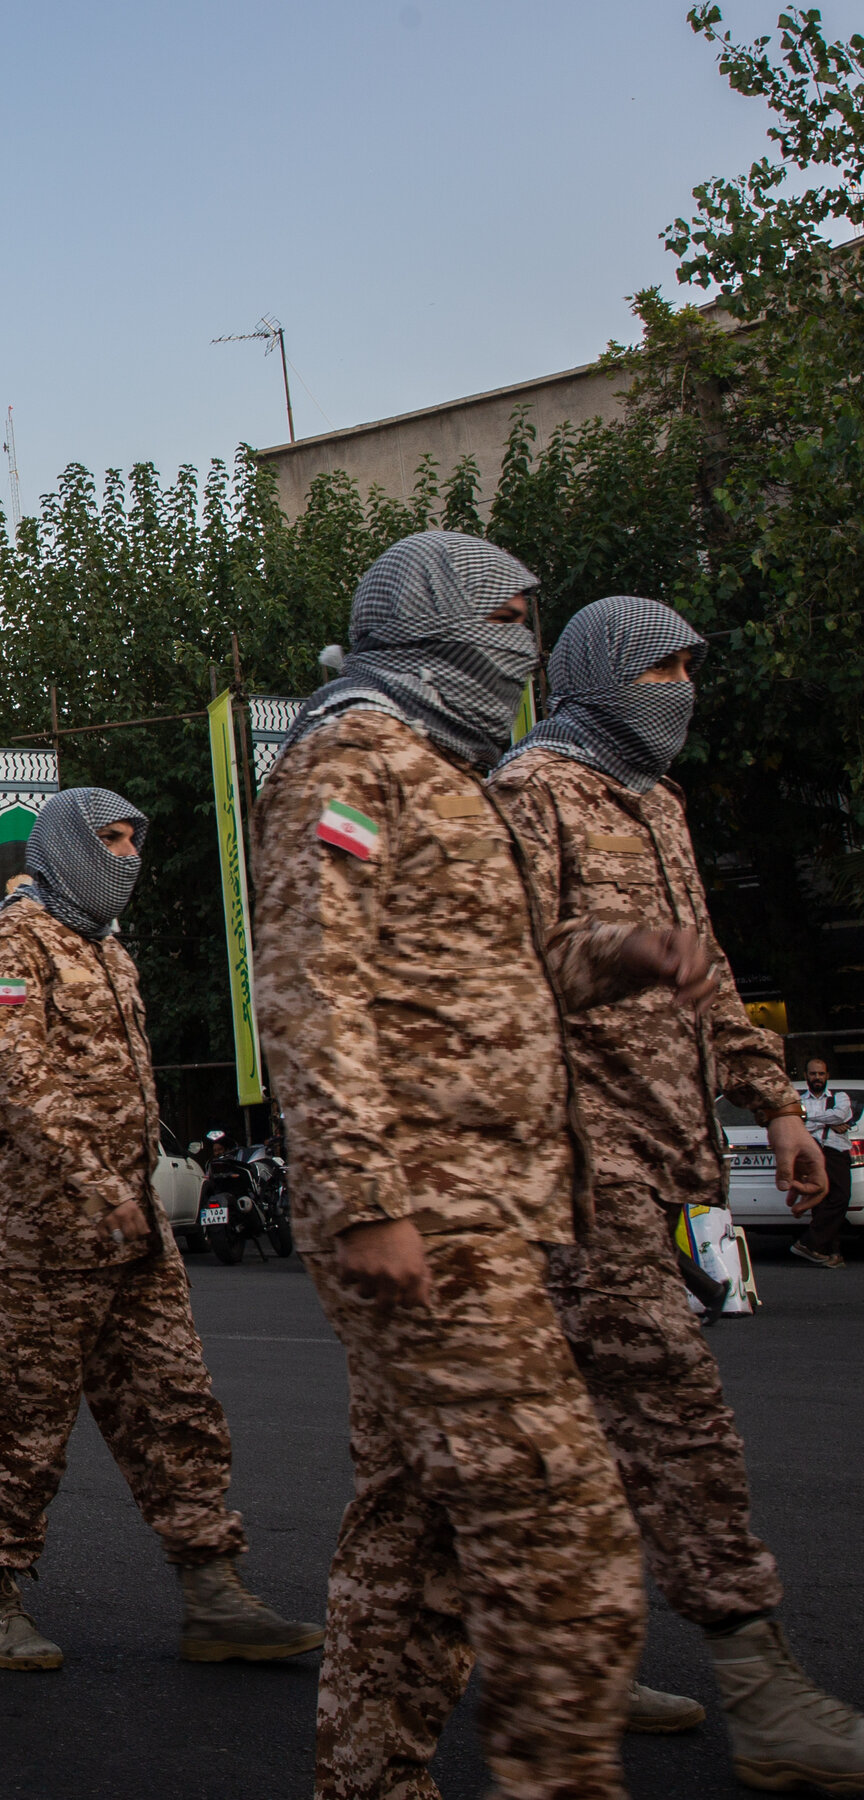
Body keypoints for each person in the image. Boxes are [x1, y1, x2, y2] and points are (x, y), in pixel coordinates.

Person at [250, 533, 674, 1800]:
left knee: (416, 1538)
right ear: (431, 618)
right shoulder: (349, 763)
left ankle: (372, 1780)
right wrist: (367, 1200)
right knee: (568, 1543)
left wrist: (624, 956)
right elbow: (312, 991)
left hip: (491, 1211)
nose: (530, 643)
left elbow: (502, 975)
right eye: (507, 611)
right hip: (430, 1220)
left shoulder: (446, 773)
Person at [492, 595, 864, 1787]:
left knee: (567, 1447)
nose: (683, 689)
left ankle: (561, 1666)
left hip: (669, 1167)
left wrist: (778, 1106)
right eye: (661, 666)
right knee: (676, 1423)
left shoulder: (655, 804)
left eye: (693, 667)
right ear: (599, 673)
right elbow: (501, 969)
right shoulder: (529, 795)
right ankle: (761, 1695)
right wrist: (619, 959)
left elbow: (707, 972)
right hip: (576, 1176)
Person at [0, 788, 323, 1671]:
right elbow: (18, 1081)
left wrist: (133, 1193)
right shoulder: (8, 943)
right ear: (65, 849)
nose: (126, 855)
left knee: (176, 1404)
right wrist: (93, 1183)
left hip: (133, 1225)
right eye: (108, 840)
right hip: (48, 1235)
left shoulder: (106, 949)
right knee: (26, 1421)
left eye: (130, 840)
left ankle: (213, 1590)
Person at [794, 1057, 854, 1269]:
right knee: (820, 1202)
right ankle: (829, 1253)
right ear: (806, 1076)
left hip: (836, 1152)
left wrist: (809, 1118)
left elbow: (841, 1114)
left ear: (827, 1075)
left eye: (821, 1074)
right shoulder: (798, 1098)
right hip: (811, 1153)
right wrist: (830, 1122)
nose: (817, 1077)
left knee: (840, 1197)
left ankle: (809, 1243)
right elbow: (796, 1126)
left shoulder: (840, 1097)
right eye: (813, 1074)